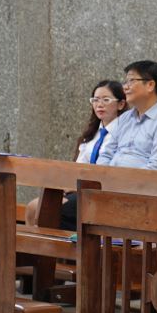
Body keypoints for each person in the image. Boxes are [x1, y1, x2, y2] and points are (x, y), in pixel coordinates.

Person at [58, 60, 157, 230]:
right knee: (51, 208)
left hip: (139, 200)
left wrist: (116, 185)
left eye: (131, 81)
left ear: (150, 85)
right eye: (125, 81)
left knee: (58, 213)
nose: (125, 87)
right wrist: (103, 183)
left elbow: (156, 173)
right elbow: (106, 155)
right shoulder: (125, 119)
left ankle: (89, 247)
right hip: (107, 192)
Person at [25, 79, 127, 227]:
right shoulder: (91, 134)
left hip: (102, 192)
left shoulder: (124, 134)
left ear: (121, 104)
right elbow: (79, 166)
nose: (99, 104)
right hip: (77, 189)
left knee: (47, 212)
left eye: (106, 100)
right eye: (95, 100)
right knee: (33, 208)